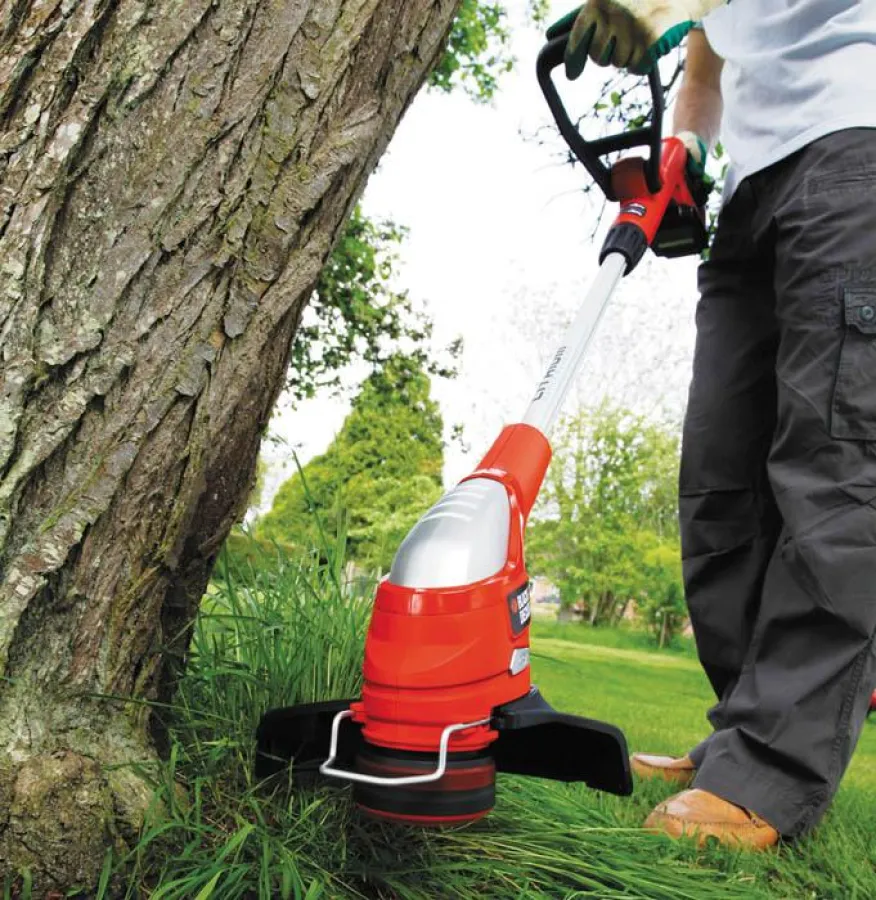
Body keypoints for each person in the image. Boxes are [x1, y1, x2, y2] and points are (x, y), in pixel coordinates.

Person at [552, 0, 876, 849]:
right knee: (721, 482)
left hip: (859, 143)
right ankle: (738, 738)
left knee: (832, 467)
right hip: (752, 187)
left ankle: (773, 768)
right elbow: (705, 68)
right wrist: (687, 148)